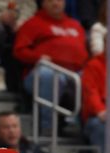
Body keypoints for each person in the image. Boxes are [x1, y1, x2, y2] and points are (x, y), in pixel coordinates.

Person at [13, 0, 87, 134]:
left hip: (74, 72)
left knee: (92, 77)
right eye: (50, 0)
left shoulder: (75, 25)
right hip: (42, 72)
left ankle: (83, 127)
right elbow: (19, 51)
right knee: (49, 76)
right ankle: (47, 126)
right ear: (43, 3)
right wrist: (37, 57)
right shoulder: (33, 23)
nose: (55, 3)